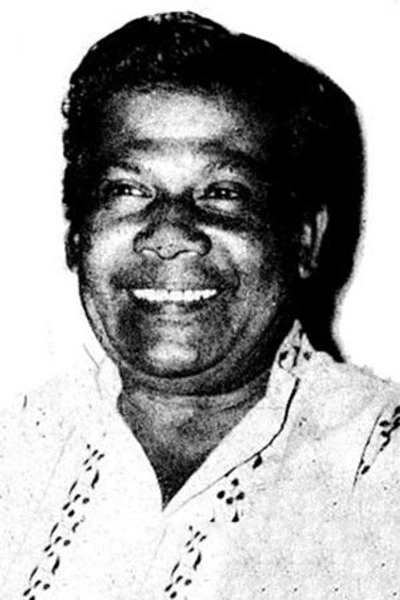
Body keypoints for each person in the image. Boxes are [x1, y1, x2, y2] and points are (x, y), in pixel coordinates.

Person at [1, 11, 399, 599]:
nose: (169, 234)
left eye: (223, 192)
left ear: (304, 241)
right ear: (76, 236)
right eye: (128, 188)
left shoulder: (379, 466)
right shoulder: (18, 449)